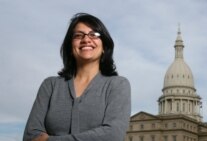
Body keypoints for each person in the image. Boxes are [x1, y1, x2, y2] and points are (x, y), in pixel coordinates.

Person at [23, 13, 131, 141]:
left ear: (104, 46)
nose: (86, 39)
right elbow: (30, 136)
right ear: (70, 47)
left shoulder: (118, 85)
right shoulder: (50, 85)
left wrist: (49, 140)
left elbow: (112, 135)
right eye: (78, 35)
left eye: (94, 34)